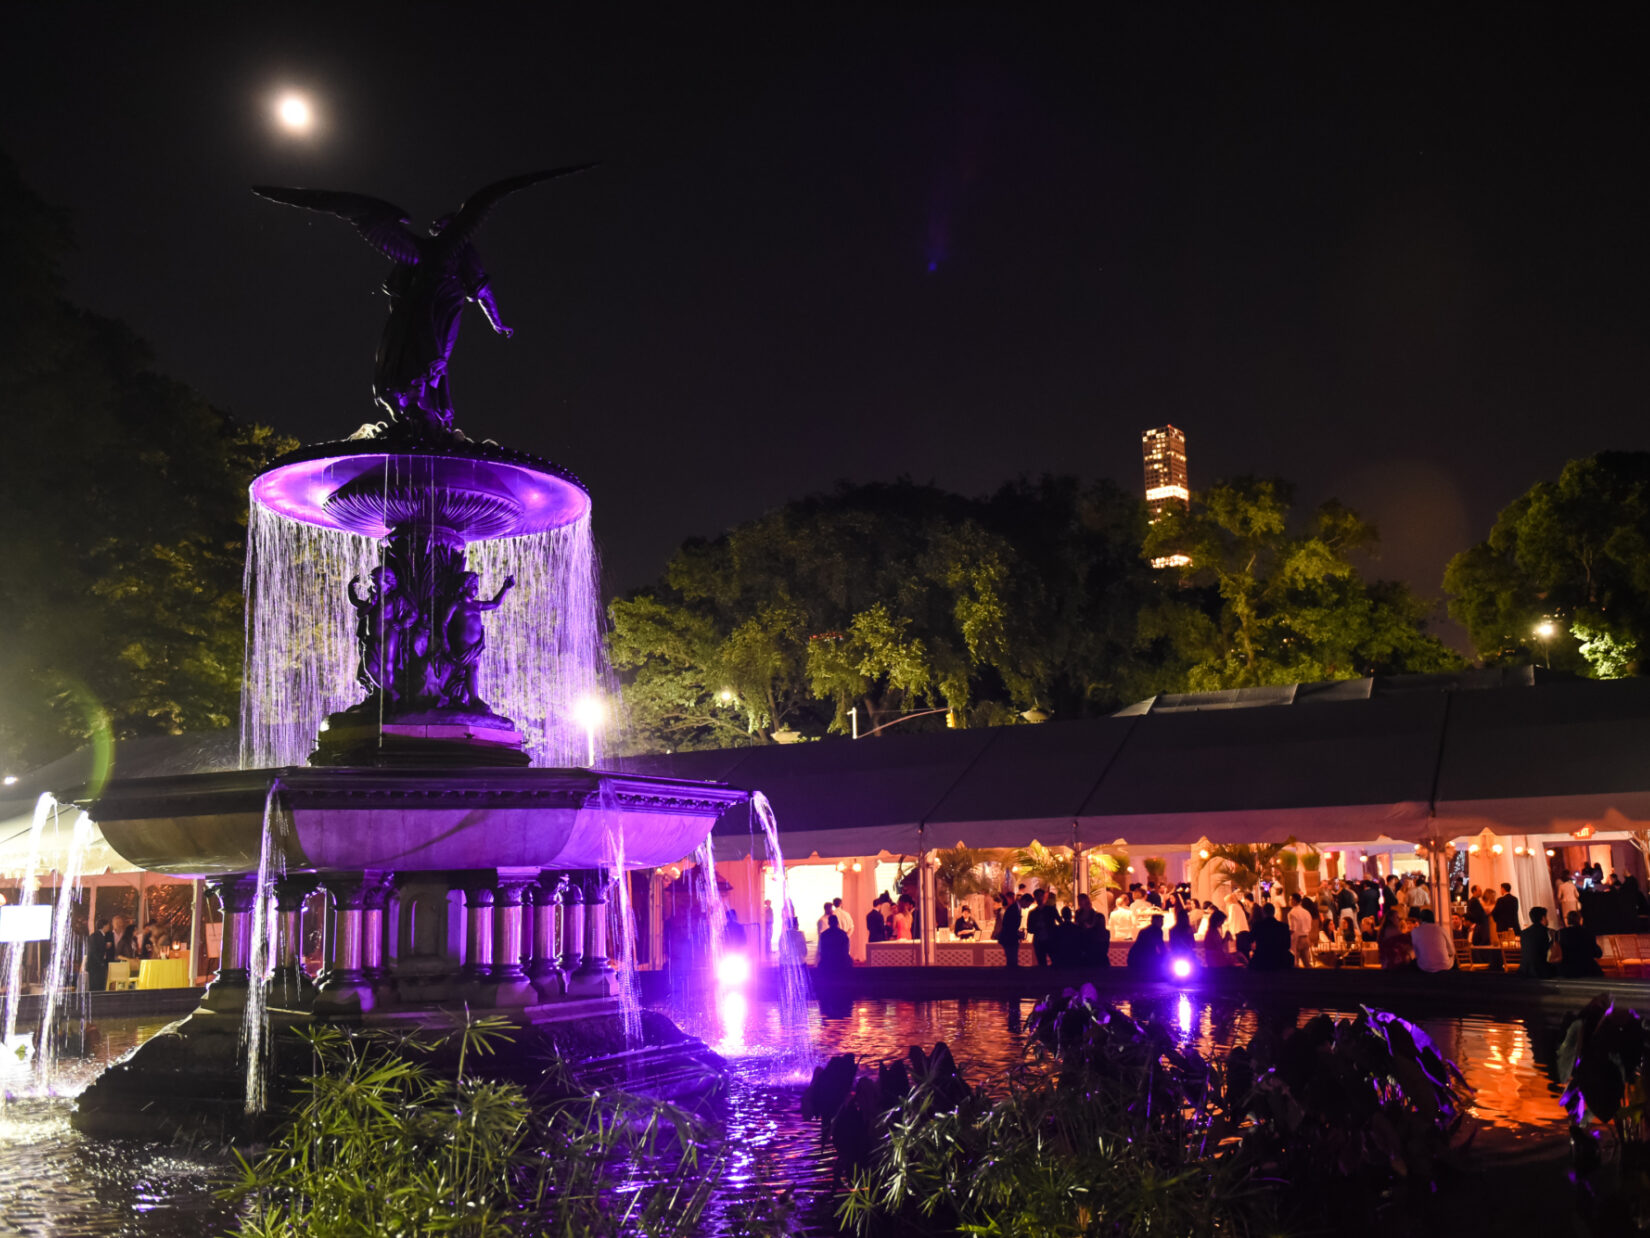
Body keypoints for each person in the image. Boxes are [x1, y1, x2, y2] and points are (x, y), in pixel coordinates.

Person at [1557, 910, 1603, 978]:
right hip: (1587, 969)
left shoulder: (1560, 933)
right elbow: (1596, 953)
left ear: (1568, 921)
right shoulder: (1587, 932)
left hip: (1567, 970)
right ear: (1580, 920)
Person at [1248, 903, 1294, 971]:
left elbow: (1250, 939)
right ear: (1274, 912)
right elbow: (1288, 945)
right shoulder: (1283, 926)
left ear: (1263, 912)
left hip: (1262, 960)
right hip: (1280, 961)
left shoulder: (1257, 926)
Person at [1410, 908, 1455, 973]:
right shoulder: (1441, 929)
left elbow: (1415, 953)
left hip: (1424, 967)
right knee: (1452, 957)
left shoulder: (1414, 932)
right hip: (1445, 966)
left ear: (1420, 920)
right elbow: (1452, 951)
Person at [1518, 906, 1557, 977]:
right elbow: (1553, 953)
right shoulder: (1548, 932)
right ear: (1543, 918)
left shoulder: (1524, 933)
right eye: (1546, 917)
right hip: (1541, 971)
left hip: (1524, 970)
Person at [1027, 889, 1057, 966]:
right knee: (1042, 964)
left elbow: (1059, 922)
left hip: (1050, 940)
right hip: (1039, 941)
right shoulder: (1032, 913)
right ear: (1035, 898)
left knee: (1055, 961)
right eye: (1037, 896)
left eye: (1041, 896)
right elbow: (1029, 929)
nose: (1039, 898)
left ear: (1044, 897)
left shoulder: (1051, 909)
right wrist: (1037, 928)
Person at [1286, 894, 1315, 969]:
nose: (1289, 901)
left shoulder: (1292, 913)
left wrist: (1286, 937)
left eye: (1290, 899)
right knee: (1307, 964)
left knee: (1295, 963)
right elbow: (1309, 926)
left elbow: (1292, 929)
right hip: (1306, 938)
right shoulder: (1306, 912)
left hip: (1297, 940)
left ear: (1294, 901)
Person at [996, 894, 1024, 968]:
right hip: (1009, 937)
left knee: (1011, 958)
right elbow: (1009, 925)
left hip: (1009, 937)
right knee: (1012, 958)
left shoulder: (1013, 908)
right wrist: (1018, 933)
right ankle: (1012, 975)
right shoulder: (1013, 908)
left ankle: (1011, 973)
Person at [86, 917, 112, 992]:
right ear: (104, 926)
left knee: (98, 985)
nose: (109, 927)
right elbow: (93, 951)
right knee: (97, 986)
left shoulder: (101, 936)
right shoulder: (96, 936)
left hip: (97, 965)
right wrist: (100, 962)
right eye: (107, 925)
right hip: (96, 965)